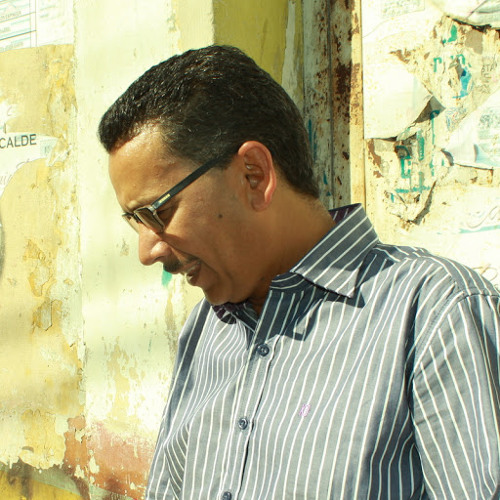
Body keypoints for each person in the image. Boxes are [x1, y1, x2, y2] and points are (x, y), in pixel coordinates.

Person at [98, 45, 500, 499]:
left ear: (253, 175)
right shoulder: (206, 330)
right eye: (134, 221)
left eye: (157, 212)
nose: (147, 251)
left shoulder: (433, 314)